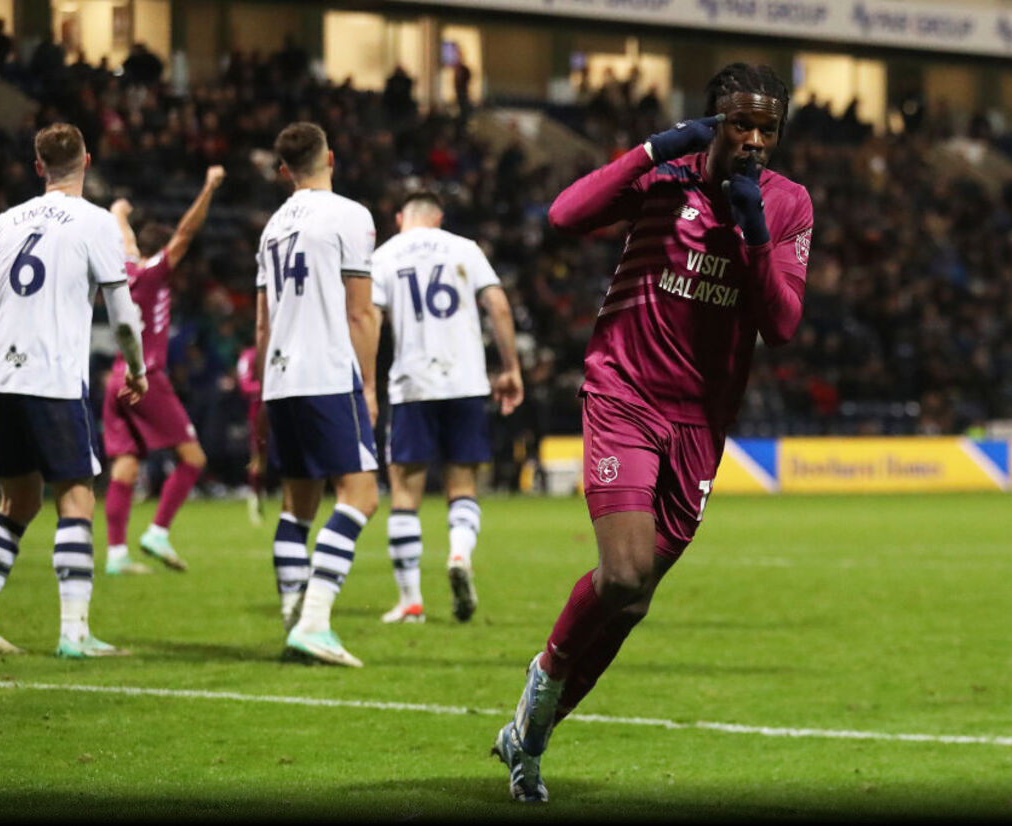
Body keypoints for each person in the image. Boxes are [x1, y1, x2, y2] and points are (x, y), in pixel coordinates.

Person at [491, 63, 814, 802]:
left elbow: (784, 324)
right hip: (625, 393)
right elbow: (563, 217)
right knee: (626, 573)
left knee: (631, 602)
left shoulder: (787, 204)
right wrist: (653, 149)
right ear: (711, 120)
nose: (755, 139)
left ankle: (530, 737)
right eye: (741, 122)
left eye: (768, 127)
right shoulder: (664, 180)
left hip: (702, 419)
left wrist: (753, 230)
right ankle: (541, 684)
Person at [0, 123, 149, 658]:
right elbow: (122, 312)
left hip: (3, 379)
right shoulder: (97, 223)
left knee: (19, 499)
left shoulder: (4, 223)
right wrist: (138, 367)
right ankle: (75, 633)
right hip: (53, 379)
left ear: (38, 167)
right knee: (76, 498)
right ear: (87, 160)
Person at [256, 122, 379, 667]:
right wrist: (369, 384)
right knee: (361, 496)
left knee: (298, 505)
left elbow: (262, 326)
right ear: (330, 156)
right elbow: (360, 312)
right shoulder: (350, 215)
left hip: (280, 376)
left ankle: (292, 616)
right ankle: (313, 623)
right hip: (328, 372)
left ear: (284, 170)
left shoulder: (271, 228)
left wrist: (263, 385)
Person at [370, 191, 522, 624]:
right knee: (462, 487)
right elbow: (499, 305)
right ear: (437, 217)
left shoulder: (385, 255)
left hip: (412, 385)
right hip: (465, 381)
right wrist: (510, 368)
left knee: (405, 493)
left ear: (401, 217)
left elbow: (370, 320)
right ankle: (459, 553)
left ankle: (411, 601)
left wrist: (365, 382)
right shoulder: (465, 248)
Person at [100, 165, 225, 575]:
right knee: (192, 458)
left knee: (126, 464)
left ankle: (117, 556)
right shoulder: (156, 273)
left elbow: (125, 239)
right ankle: (157, 531)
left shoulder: (125, 270)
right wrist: (207, 186)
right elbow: (186, 233)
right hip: (146, 376)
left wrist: (118, 210)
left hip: (116, 379)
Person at [236, 343, 267, 526]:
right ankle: (255, 501)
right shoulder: (249, 355)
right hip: (259, 413)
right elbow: (244, 385)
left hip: (286, 409)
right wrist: (268, 387)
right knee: (258, 460)